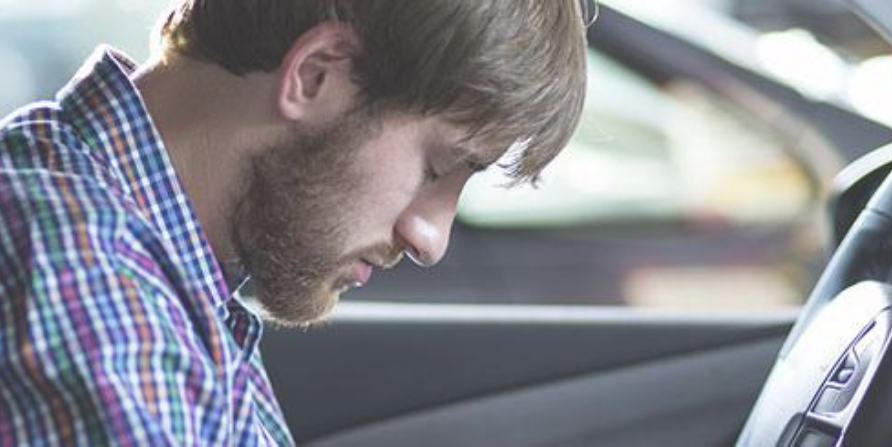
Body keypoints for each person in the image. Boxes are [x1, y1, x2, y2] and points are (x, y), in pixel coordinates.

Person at [0, 0, 588, 444]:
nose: (429, 239)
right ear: (314, 75)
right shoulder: (85, 278)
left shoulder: (164, 268)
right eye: (436, 167)